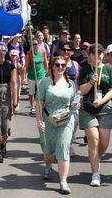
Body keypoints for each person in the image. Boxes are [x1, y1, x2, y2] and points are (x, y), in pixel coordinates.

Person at [36, 55, 76, 194]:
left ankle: (63, 182)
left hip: (66, 120)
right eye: (57, 65)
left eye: (63, 65)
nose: (60, 67)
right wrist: (39, 121)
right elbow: (39, 103)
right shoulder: (44, 83)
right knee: (48, 149)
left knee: (63, 147)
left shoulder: (71, 84)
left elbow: (73, 101)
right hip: (48, 119)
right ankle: (48, 165)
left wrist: (76, 104)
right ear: (52, 66)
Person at [78, 44, 112, 186]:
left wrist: (101, 100)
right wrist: (91, 82)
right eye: (94, 53)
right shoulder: (85, 70)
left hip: (105, 108)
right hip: (88, 109)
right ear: (89, 56)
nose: (98, 56)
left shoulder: (108, 70)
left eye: (100, 53)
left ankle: (96, 158)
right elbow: (81, 91)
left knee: (104, 143)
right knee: (94, 140)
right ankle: (95, 174)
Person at [24, 37, 48, 116]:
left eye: (36, 44)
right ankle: (32, 106)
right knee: (31, 92)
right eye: (33, 44)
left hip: (41, 75)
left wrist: (46, 72)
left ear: (39, 45)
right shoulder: (29, 54)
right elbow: (26, 66)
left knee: (40, 92)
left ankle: (40, 106)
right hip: (31, 76)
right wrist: (24, 77)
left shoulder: (42, 52)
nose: (35, 46)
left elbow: (45, 63)